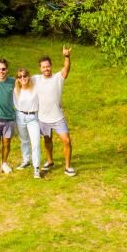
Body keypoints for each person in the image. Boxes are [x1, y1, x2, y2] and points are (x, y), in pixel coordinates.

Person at [34, 46, 75, 176]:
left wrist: (67, 57)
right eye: (43, 67)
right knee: (47, 140)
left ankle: (68, 167)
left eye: (48, 66)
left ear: (51, 66)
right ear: (40, 68)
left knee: (67, 140)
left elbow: (66, 68)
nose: (46, 68)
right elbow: (21, 79)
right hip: (43, 118)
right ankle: (50, 161)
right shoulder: (36, 79)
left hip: (57, 117)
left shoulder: (58, 78)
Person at [12, 67, 42, 178]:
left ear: (28, 76)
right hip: (20, 116)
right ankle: (26, 160)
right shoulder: (16, 90)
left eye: (25, 75)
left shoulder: (35, 87)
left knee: (35, 143)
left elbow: (42, 75)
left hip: (33, 117)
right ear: (17, 79)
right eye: (20, 76)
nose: (23, 78)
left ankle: (36, 167)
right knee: (24, 141)